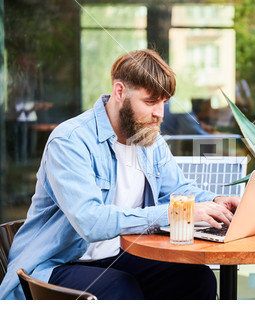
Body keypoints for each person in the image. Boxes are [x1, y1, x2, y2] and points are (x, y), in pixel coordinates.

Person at [0, 49, 240, 300]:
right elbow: (91, 222)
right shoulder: (70, 140)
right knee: (120, 287)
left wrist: (216, 201)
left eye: (164, 103)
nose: (160, 113)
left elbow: (178, 189)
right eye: (150, 102)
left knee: (196, 278)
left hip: (117, 257)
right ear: (119, 91)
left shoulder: (150, 139)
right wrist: (178, 212)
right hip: (58, 264)